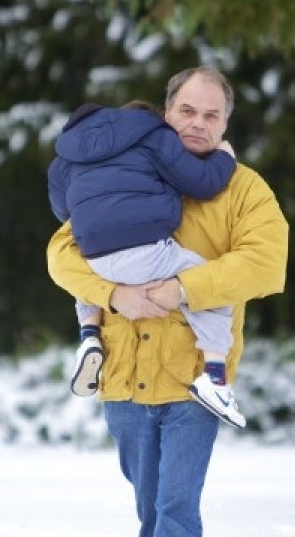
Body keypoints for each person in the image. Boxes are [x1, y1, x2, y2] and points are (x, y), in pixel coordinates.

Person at [47, 66, 289, 537]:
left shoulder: (244, 189)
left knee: (176, 511)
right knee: (150, 514)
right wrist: (115, 295)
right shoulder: (127, 164)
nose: (198, 122)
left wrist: (183, 290)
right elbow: (61, 253)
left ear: (225, 125)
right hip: (124, 380)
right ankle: (90, 341)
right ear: (166, 113)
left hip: (192, 381)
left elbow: (265, 262)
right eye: (187, 110)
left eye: (211, 115)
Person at [47, 99, 245, 427]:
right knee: (209, 284)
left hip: (96, 252)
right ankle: (215, 378)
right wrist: (225, 156)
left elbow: (62, 211)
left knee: (84, 275)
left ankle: (89, 336)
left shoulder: (65, 158)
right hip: (144, 246)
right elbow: (203, 183)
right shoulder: (154, 136)